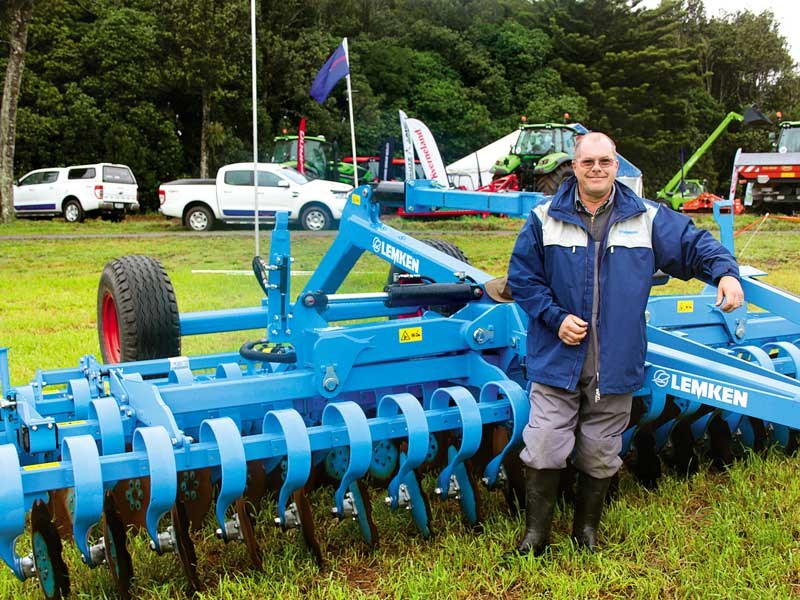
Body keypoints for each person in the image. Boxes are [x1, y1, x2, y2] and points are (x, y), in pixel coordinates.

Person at [506, 132, 744, 555]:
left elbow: (694, 245)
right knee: (543, 443)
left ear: (616, 166)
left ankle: (586, 534)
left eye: (604, 161)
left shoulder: (648, 218)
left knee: (600, 451)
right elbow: (523, 279)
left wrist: (725, 272)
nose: (596, 169)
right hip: (557, 356)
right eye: (587, 162)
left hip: (614, 362)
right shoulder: (544, 218)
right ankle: (535, 537)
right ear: (574, 167)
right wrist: (555, 318)